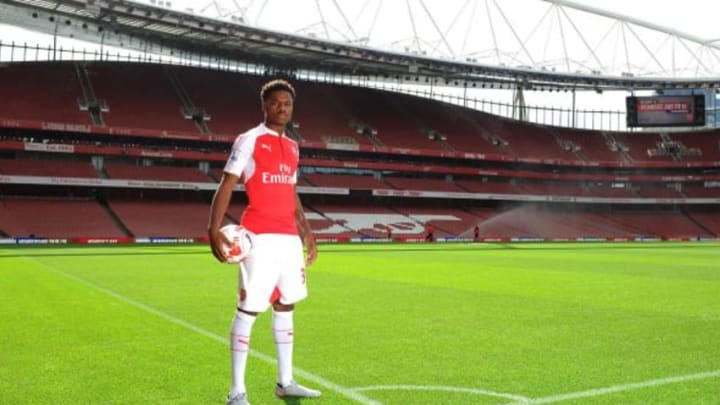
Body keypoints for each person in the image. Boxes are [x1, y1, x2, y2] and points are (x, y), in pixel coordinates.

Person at [207, 79, 320, 405]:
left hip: (288, 240)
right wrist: (213, 228)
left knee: (286, 304)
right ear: (265, 106)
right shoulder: (250, 140)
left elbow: (291, 192)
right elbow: (227, 183)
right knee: (249, 310)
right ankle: (236, 392)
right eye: (275, 103)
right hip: (259, 237)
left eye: (287, 103)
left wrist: (307, 231)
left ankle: (285, 382)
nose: (282, 107)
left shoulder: (294, 147)